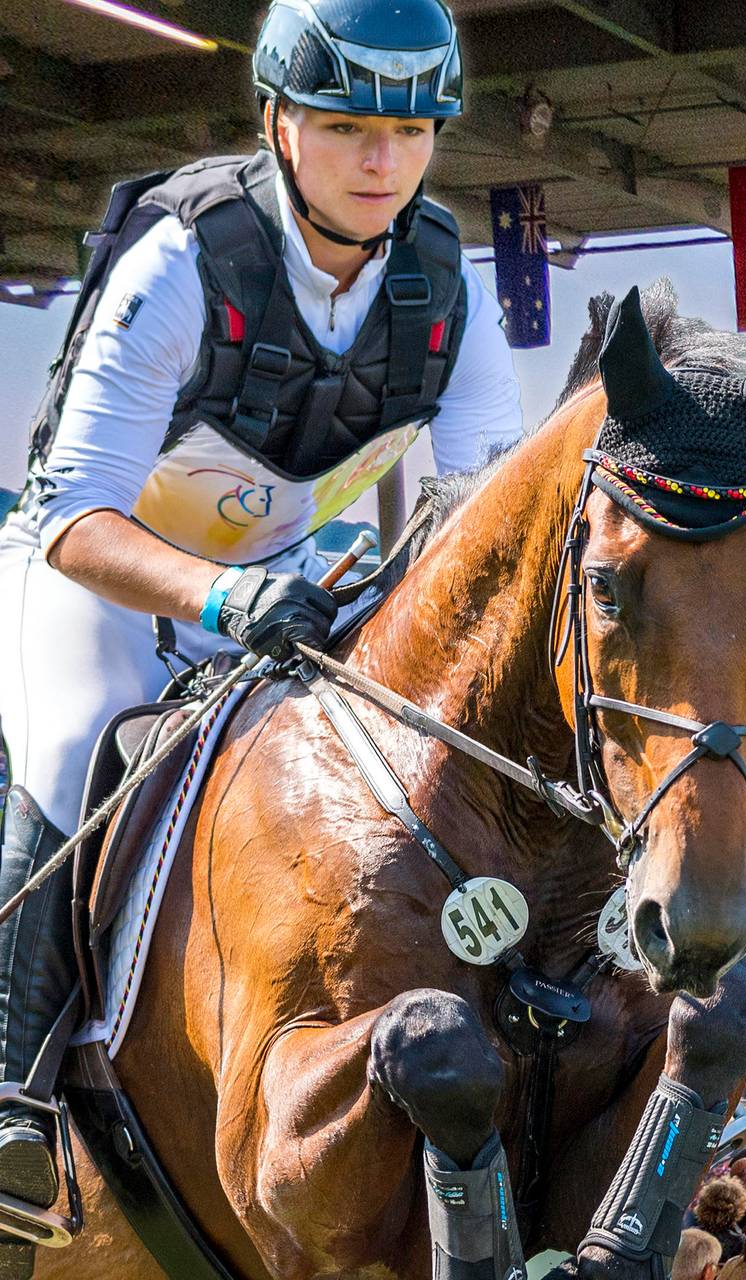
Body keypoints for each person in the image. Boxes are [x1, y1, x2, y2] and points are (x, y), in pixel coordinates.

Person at [0, 0, 519, 1249]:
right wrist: (225, 598)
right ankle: (9, 1087)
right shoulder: (185, 257)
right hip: (103, 574)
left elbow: (482, 519)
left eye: (410, 130)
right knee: (78, 744)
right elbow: (74, 510)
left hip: (287, 582)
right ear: (279, 120)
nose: (382, 162)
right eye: (346, 126)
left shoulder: (447, 282)